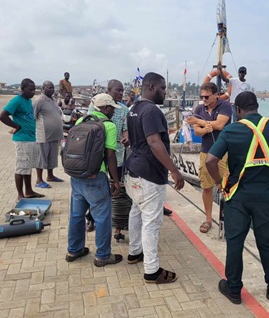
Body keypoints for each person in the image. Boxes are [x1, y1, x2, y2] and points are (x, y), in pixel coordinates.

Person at [205, 91, 269, 304]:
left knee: (234, 241)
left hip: (237, 196)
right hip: (267, 195)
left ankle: (233, 288)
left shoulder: (231, 130)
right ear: (256, 107)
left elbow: (210, 160)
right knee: (268, 242)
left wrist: (219, 182)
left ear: (238, 110)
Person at [125, 72, 184, 284]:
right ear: (151, 86)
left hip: (134, 171)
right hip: (149, 173)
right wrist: (174, 171)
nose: (165, 92)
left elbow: (132, 139)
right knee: (151, 221)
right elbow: (154, 141)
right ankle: (151, 270)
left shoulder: (134, 109)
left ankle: (134, 252)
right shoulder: (150, 110)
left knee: (136, 211)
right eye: (163, 88)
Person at [66, 93, 123, 267]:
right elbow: (110, 155)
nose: (113, 111)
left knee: (76, 215)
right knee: (102, 217)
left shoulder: (80, 122)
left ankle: (74, 250)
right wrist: (115, 180)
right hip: (96, 178)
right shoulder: (108, 126)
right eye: (112, 108)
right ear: (105, 108)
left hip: (76, 176)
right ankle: (103, 255)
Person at [185, 82, 232, 233]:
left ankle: (228, 218)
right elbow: (197, 132)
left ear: (216, 95)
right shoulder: (199, 108)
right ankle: (208, 218)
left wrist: (199, 122)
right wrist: (205, 128)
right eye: (202, 96)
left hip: (223, 153)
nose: (203, 99)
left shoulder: (225, 106)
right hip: (206, 151)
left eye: (206, 96)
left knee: (226, 186)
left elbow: (219, 125)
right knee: (206, 187)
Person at [86, 79, 130, 232]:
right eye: (118, 90)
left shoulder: (124, 110)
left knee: (115, 188)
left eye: (122, 91)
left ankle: (117, 221)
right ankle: (91, 218)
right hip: (97, 155)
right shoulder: (95, 105)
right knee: (96, 189)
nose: (121, 93)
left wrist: (126, 137)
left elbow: (125, 128)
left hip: (116, 153)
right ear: (109, 91)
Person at [0, 78, 44, 200]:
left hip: (30, 138)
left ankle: (29, 191)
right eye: (30, 90)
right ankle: (20, 195)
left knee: (27, 166)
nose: (33, 92)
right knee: (21, 167)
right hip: (22, 139)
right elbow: (2, 116)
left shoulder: (28, 100)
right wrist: (16, 126)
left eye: (34, 89)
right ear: (22, 89)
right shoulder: (17, 100)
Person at [33, 81, 64, 188]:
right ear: (43, 88)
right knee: (41, 158)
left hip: (54, 136)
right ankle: (38, 180)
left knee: (52, 157)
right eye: (49, 88)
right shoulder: (39, 100)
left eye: (52, 88)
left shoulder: (53, 100)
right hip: (43, 135)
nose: (51, 90)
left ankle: (50, 176)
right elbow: (32, 115)